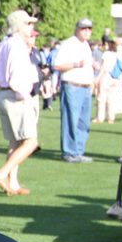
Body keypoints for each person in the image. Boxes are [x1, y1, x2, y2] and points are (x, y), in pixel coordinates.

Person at [0, 10, 42, 194]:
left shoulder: (5, 43)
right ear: (19, 26)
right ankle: (2, 173)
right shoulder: (16, 45)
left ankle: (13, 184)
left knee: (15, 142)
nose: (31, 27)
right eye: (28, 24)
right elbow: (16, 77)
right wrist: (24, 96)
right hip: (15, 96)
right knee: (30, 142)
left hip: (3, 94)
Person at [53, 17, 96, 162]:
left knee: (83, 122)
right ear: (77, 29)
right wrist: (76, 64)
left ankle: (78, 151)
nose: (87, 32)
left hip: (85, 87)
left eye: (89, 29)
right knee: (71, 119)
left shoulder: (86, 46)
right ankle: (69, 151)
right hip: (72, 85)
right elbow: (57, 65)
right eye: (84, 28)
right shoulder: (69, 44)